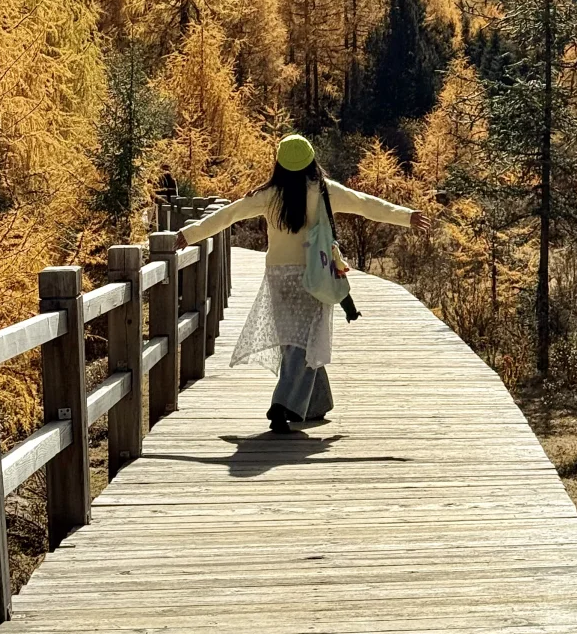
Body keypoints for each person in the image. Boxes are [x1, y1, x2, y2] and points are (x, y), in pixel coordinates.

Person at [176, 135, 430, 433]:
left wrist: (190, 233)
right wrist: (406, 216)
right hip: (314, 275)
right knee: (305, 341)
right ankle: (282, 405)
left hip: (278, 276)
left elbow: (228, 214)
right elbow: (365, 204)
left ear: (280, 164)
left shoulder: (268, 194)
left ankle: (316, 404)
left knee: (295, 340)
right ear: (312, 160)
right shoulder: (324, 190)